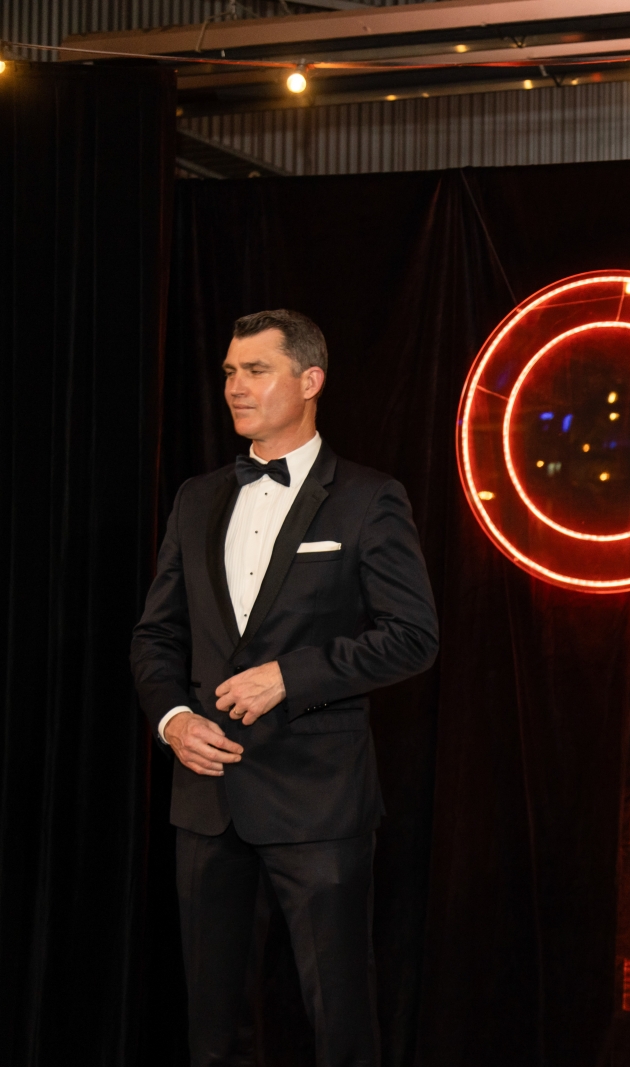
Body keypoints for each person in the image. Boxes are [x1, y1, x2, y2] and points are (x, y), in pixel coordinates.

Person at [130, 310, 439, 1067]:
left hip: (318, 799)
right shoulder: (197, 498)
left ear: (309, 381)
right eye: (230, 372)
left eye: (256, 370)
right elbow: (156, 635)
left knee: (340, 1025)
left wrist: (290, 676)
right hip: (208, 799)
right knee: (212, 1032)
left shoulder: (368, 497)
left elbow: (413, 635)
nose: (235, 386)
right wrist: (173, 719)